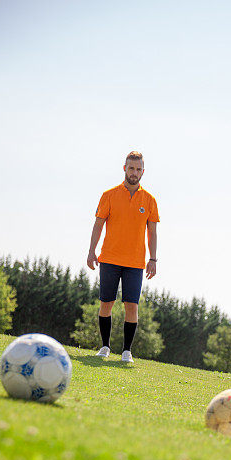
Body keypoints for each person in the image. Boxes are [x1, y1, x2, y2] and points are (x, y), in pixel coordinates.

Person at [87, 151, 159, 363]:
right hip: (108, 258)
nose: (134, 173)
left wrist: (153, 259)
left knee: (131, 306)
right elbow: (98, 224)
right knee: (106, 304)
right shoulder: (108, 195)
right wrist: (92, 251)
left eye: (138, 169)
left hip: (135, 262)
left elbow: (152, 232)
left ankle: (127, 351)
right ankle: (105, 346)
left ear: (143, 172)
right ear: (124, 168)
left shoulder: (150, 200)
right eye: (131, 168)